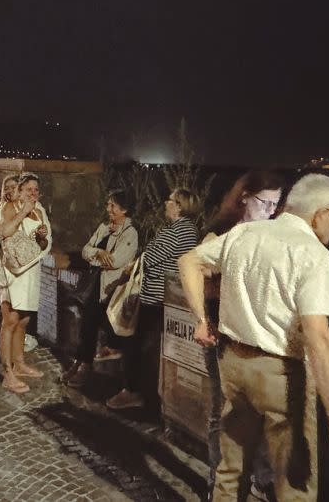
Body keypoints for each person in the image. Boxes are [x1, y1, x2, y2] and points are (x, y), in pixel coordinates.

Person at [179, 173, 329, 501]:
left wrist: (201, 319)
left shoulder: (245, 233)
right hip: (280, 374)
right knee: (293, 479)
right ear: (320, 214)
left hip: (233, 365)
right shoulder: (312, 254)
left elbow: (188, 261)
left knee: (230, 471)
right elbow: (319, 339)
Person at [201, 170, 285, 499]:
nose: (270, 211)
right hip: (223, 336)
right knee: (223, 411)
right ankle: (218, 487)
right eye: (265, 203)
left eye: (276, 205)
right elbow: (200, 268)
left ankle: (260, 483)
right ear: (244, 197)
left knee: (263, 412)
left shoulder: (272, 233)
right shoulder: (223, 231)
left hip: (261, 337)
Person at [105, 188, 200, 410]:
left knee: (137, 346)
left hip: (155, 299)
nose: (165, 203)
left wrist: (144, 255)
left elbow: (149, 258)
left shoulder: (175, 232)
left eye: (169, 200)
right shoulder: (190, 231)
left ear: (178, 206)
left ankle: (133, 392)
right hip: (168, 298)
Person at [61, 189, 139, 388]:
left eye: (113, 205)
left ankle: (86, 367)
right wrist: (99, 253)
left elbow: (115, 261)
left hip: (110, 289)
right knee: (86, 326)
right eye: (108, 204)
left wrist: (98, 258)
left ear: (125, 209)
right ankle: (81, 363)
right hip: (95, 284)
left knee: (94, 326)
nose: (109, 209)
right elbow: (86, 250)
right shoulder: (104, 227)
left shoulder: (130, 233)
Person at [0, 172, 52, 393]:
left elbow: (44, 243)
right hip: (12, 272)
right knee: (10, 320)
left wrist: (43, 236)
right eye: (29, 189)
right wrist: (24, 213)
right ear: (19, 190)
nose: (33, 193)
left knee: (24, 320)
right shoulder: (10, 208)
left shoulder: (40, 211)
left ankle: (19, 364)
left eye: (36, 190)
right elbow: (5, 231)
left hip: (30, 271)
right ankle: (7, 372)